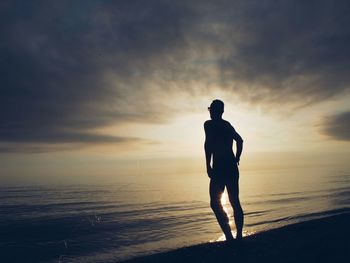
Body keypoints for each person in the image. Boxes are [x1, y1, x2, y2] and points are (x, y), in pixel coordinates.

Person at [204, 99, 244, 241]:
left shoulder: (208, 125)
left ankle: (230, 236)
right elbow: (240, 140)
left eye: (212, 110)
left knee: (215, 203)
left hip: (220, 168)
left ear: (217, 111)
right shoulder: (227, 125)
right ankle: (237, 236)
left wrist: (208, 165)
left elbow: (208, 145)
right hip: (231, 167)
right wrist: (237, 158)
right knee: (234, 201)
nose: (210, 113)